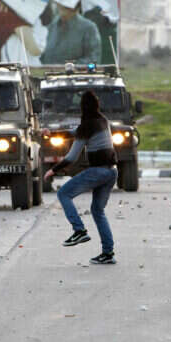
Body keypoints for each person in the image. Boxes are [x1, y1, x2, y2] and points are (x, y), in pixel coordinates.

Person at [44, 91, 118, 264]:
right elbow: (76, 132)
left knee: (63, 193)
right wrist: (52, 133)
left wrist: (53, 170)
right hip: (112, 171)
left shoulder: (87, 126)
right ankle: (108, 253)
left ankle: (79, 231)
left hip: (98, 171)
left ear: (82, 107)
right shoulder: (103, 120)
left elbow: (71, 157)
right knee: (98, 211)